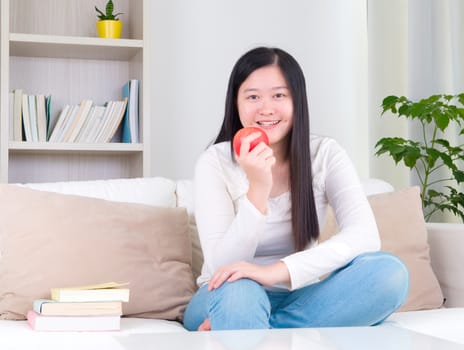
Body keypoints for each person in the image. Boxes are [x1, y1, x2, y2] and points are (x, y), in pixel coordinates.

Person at [183, 47, 409, 331]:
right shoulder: (214, 162)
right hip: (225, 293)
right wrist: (258, 189)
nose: (266, 109)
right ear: (236, 104)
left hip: (299, 295)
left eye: (279, 95)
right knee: (240, 296)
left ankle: (256, 329)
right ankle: (258, 326)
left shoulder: (325, 154)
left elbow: (365, 235)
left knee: (389, 274)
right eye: (253, 97)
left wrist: (275, 272)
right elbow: (222, 266)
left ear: (297, 101)